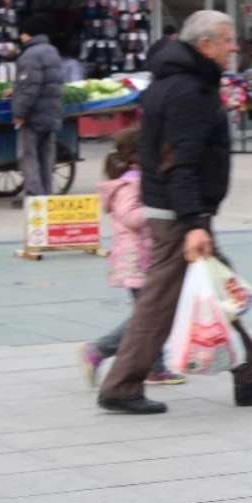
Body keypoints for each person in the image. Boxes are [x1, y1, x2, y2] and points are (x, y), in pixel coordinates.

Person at [96, 10, 252, 415]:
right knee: (158, 303)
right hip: (177, 216)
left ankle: (251, 376)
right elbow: (179, 162)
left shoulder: (180, 81)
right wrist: (193, 223)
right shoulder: (188, 90)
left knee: (219, 289)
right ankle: (120, 385)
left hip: (179, 211)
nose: (234, 47)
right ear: (205, 44)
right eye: (228, 40)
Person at [80, 127, 186, 388]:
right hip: (138, 258)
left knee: (152, 312)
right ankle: (99, 349)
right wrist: (158, 210)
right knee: (150, 315)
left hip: (143, 256)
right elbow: (129, 216)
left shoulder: (140, 178)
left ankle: (155, 367)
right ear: (138, 154)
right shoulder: (133, 181)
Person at [12, 16, 64, 205]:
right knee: (45, 156)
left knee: (28, 155)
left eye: (22, 34)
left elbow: (30, 88)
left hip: (34, 116)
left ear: (28, 34)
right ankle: (46, 194)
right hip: (51, 113)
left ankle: (34, 195)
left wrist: (19, 113)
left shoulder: (30, 55)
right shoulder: (52, 51)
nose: (20, 38)